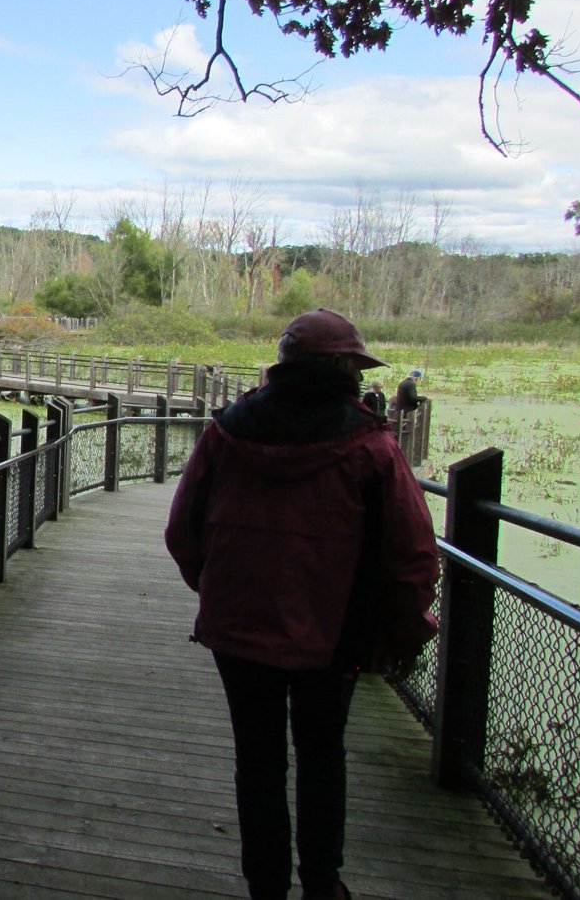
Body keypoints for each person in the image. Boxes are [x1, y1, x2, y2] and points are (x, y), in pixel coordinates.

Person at [164, 308, 440, 900]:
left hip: (237, 629)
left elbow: (182, 529)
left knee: (257, 760)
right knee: (322, 753)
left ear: (282, 365)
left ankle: (266, 885)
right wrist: (405, 632)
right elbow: (412, 554)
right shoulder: (372, 447)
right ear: (344, 368)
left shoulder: (226, 432)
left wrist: (216, 587)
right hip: (335, 632)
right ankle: (322, 883)